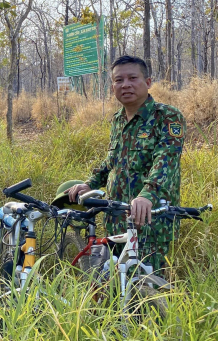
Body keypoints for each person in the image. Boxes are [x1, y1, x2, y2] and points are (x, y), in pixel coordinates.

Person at [65, 55, 185, 275]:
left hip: (150, 220)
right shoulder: (118, 119)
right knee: (115, 284)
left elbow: (166, 161)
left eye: (132, 78)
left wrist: (146, 196)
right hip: (116, 218)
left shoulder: (166, 116)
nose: (125, 85)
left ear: (148, 82)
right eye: (119, 80)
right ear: (113, 86)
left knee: (146, 286)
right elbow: (111, 161)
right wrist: (88, 184)